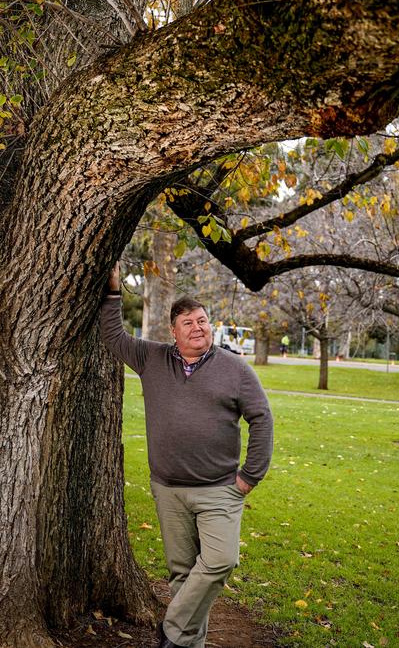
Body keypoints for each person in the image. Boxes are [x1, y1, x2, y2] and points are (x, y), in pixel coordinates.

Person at [101, 264, 273, 648]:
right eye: (188, 323)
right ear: (173, 332)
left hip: (220, 491)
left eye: (203, 320)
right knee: (181, 574)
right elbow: (113, 336)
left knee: (219, 562)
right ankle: (185, 644)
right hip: (169, 489)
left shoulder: (236, 370)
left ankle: (171, 630)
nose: (198, 327)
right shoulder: (152, 359)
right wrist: (114, 291)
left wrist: (250, 476)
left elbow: (261, 419)